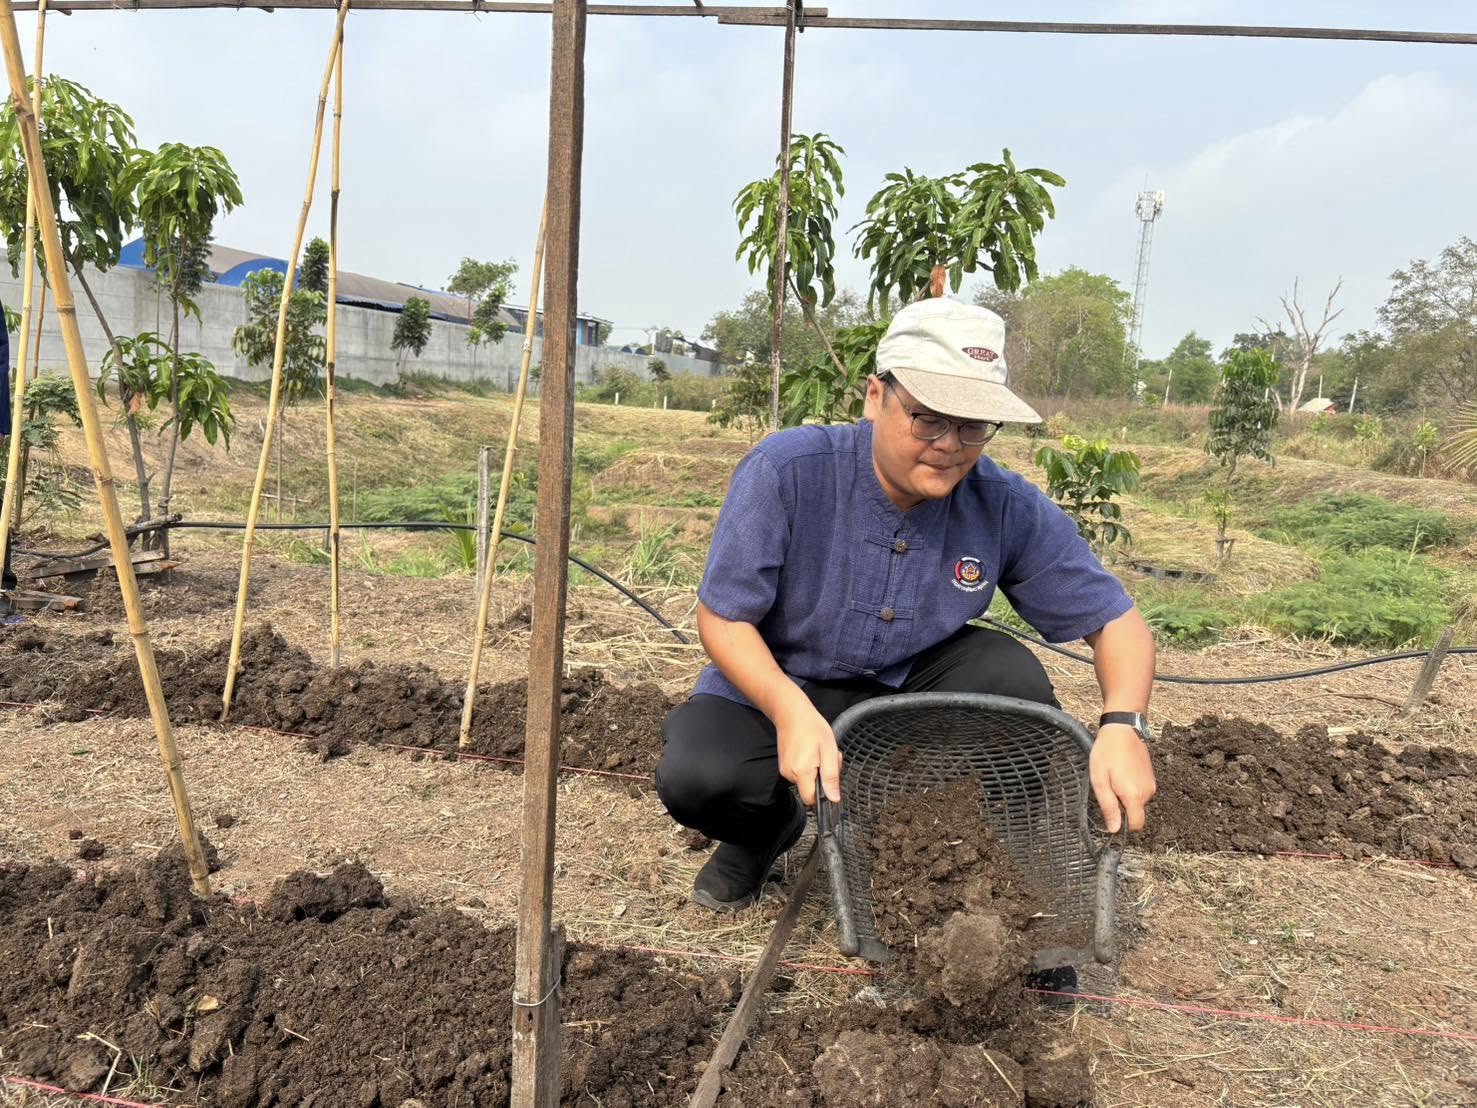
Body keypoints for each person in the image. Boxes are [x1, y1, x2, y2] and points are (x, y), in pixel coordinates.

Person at [656, 297, 1156, 914]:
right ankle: (764, 833)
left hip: (908, 689)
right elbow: (724, 617)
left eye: (973, 426)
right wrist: (789, 711)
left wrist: (1123, 726)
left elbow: (1118, 624)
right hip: (783, 678)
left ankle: (992, 873)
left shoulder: (999, 502)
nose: (951, 445)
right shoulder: (787, 472)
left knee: (1010, 680)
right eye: (927, 419)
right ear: (875, 397)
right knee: (702, 775)